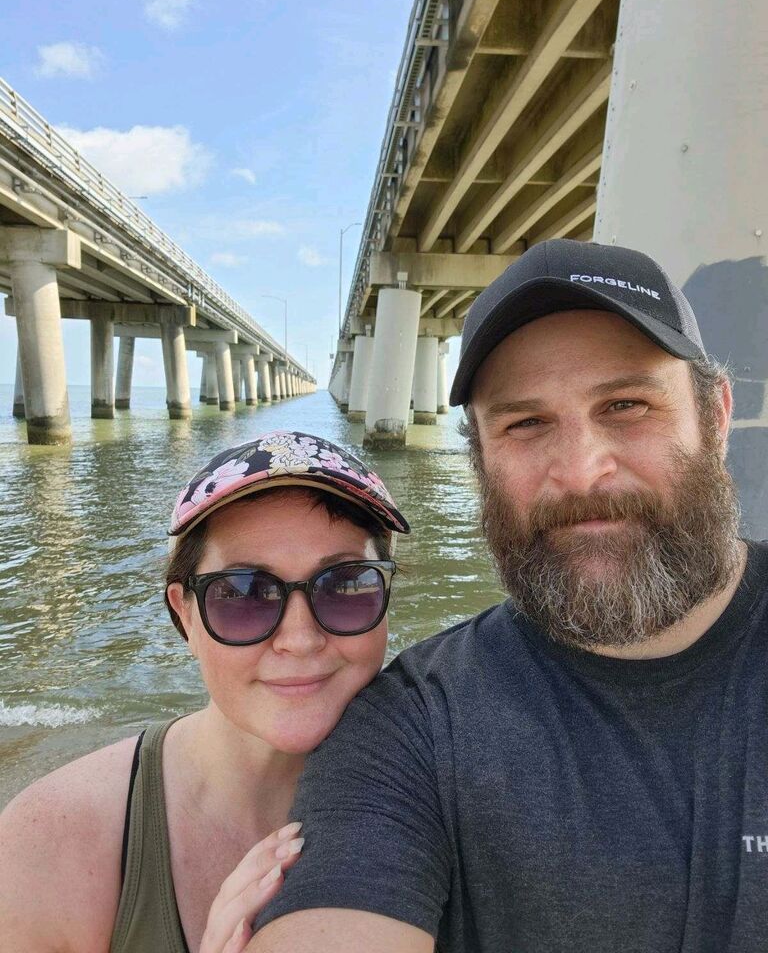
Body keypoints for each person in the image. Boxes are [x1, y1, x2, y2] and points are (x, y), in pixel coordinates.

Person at [247, 239, 768, 953]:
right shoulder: (412, 729)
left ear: (716, 418)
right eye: (526, 424)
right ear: (481, 461)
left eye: (626, 405)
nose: (583, 472)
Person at [0, 431, 409, 953]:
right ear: (185, 614)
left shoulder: (452, 792)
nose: (301, 639)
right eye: (244, 594)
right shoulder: (49, 844)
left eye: (345, 583)